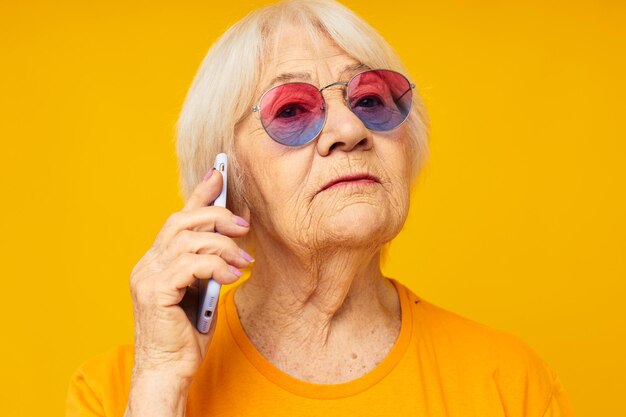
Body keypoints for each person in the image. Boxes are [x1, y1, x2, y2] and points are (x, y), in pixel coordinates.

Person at [67, 1, 575, 416]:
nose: (350, 131)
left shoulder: (508, 382)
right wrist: (160, 387)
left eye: (371, 100)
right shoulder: (118, 392)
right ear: (227, 178)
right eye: (290, 110)